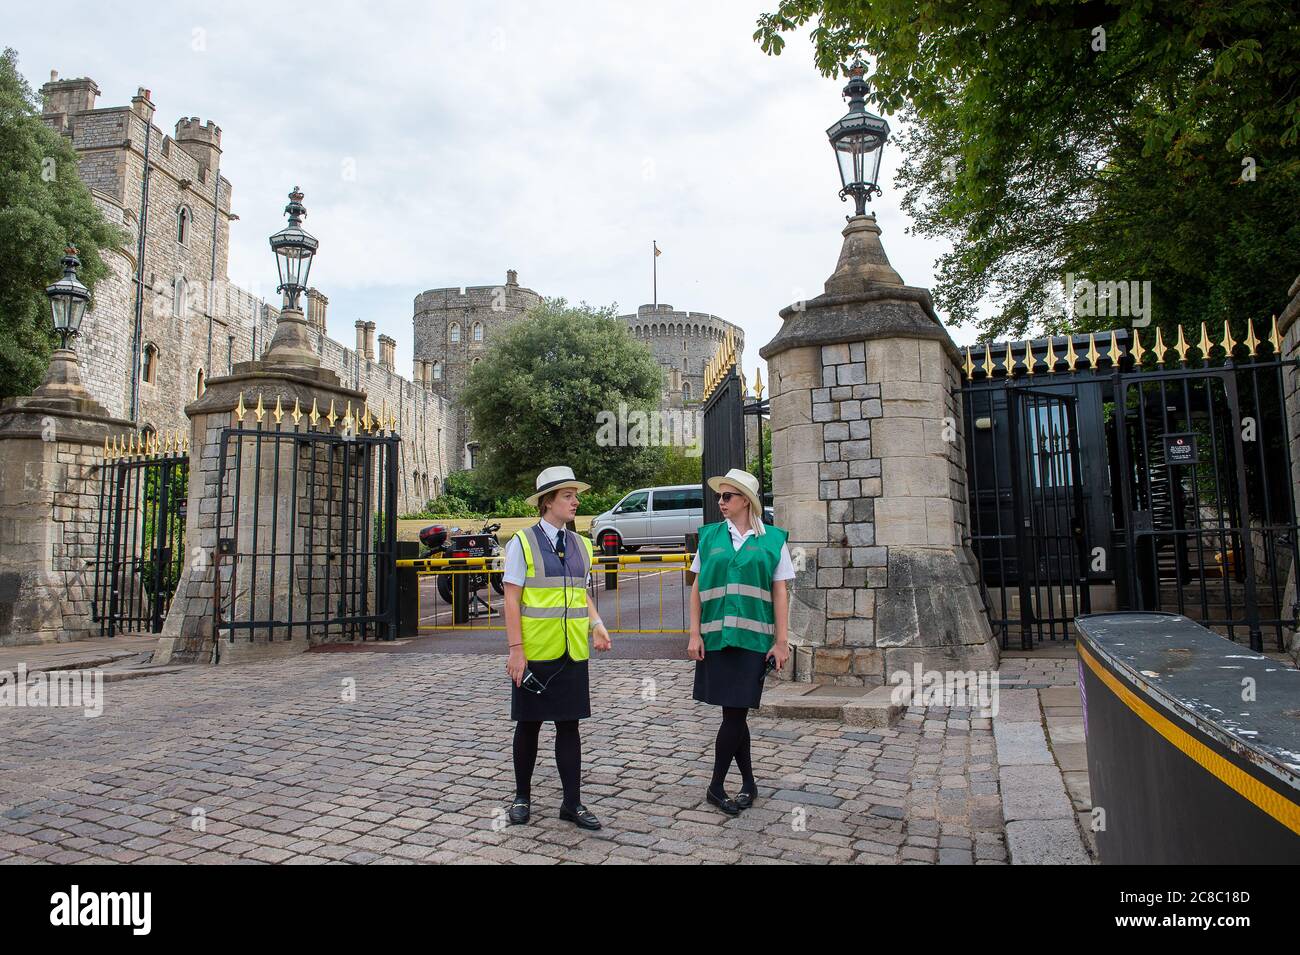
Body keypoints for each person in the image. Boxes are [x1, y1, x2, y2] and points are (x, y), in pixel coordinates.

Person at [502, 465, 612, 830]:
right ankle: (521, 797)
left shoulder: (582, 544)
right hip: (535, 653)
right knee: (529, 726)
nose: (575, 501)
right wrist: (516, 650)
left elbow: (580, 594)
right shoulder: (522, 542)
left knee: (570, 728)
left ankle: (572, 803)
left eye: (574, 496)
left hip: (571, 654)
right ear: (548, 502)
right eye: (568, 496)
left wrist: (596, 624)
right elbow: (512, 600)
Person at [687, 467, 794, 815]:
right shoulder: (709, 537)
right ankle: (745, 784)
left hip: (753, 641)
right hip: (717, 639)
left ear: (745, 501)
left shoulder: (774, 540)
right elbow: (696, 590)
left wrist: (781, 642)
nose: (720, 501)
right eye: (720, 496)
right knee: (735, 713)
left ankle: (716, 787)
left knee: (735, 713)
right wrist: (693, 633)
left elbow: (780, 593)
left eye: (727, 496)